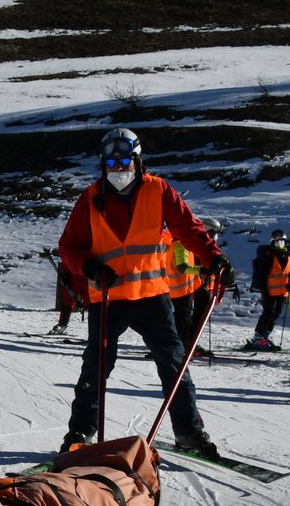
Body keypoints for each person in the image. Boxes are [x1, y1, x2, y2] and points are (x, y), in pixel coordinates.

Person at [57, 127, 229, 459]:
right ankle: (80, 433)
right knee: (96, 366)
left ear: (138, 160)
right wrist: (88, 267)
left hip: (152, 296)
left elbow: (188, 229)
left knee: (174, 362)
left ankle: (188, 431)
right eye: (112, 163)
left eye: (125, 161)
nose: (119, 169)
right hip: (108, 297)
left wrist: (214, 257)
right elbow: (68, 246)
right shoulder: (90, 199)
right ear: (102, 164)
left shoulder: (159, 191)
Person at [169, 216, 221, 357]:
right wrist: (201, 270)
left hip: (190, 287)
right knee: (183, 319)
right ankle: (181, 347)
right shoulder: (181, 244)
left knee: (188, 317)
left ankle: (187, 344)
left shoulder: (186, 244)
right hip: (182, 289)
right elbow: (182, 266)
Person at [248, 229, 290, 349]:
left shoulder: (288, 255)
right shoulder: (268, 255)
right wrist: (263, 288)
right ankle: (258, 337)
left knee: (276, 314)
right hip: (269, 290)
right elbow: (262, 273)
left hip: (283, 291)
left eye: (282, 241)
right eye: (277, 241)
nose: (279, 243)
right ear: (272, 242)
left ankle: (265, 336)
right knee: (268, 313)